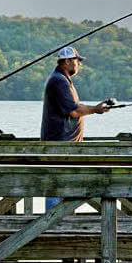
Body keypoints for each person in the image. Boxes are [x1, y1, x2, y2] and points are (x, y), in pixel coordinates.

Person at [40, 46, 111, 209]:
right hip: (60, 146)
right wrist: (95, 109)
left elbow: (75, 107)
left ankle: (57, 222)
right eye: (77, 61)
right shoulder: (59, 80)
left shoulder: (61, 79)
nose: (79, 64)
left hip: (64, 145)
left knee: (61, 187)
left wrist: (94, 108)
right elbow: (73, 111)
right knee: (56, 186)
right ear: (66, 61)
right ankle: (53, 226)